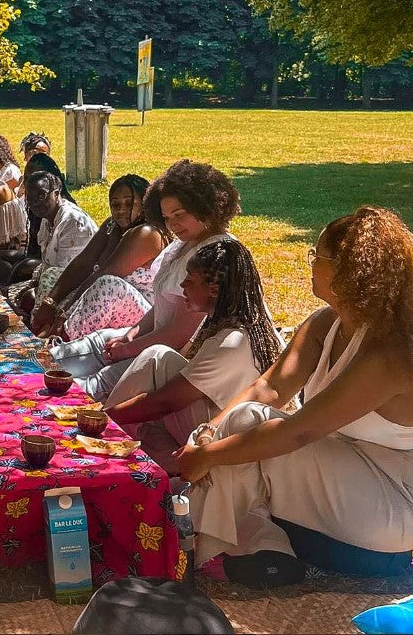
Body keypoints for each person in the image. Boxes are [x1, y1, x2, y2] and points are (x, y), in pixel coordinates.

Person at [175, 207, 413, 588]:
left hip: (388, 509)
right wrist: (206, 434)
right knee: (243, 420)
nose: (311, 264)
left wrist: (207, 456)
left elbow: (299, 432)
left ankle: (220, 544)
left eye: (316, 256)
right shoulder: (325, 324)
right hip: (332, 481)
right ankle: (258, 550)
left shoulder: (389, 355)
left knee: (248, 427)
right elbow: (267, 389)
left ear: (347, 272)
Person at [50, 160, 239, 400]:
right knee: (63, 357)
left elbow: (180, 335)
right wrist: (131, 334)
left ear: (206, 207)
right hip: (151, 342)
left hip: (171, 359)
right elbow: (160, 307)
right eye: (167, 217)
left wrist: (128, 348)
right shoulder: (182, 246)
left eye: (179, 215)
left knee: (85, 387)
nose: (172, 224)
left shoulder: (215, 255)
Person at [104, 239, 282, 474]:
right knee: (159, 362)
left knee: (155, 366)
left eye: (189, 280)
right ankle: (165, 471)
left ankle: (100, 438)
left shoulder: (231, 342)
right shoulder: (228, 322)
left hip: (223, 439)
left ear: (214, 289)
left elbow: (165, 401)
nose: (182, 285)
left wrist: (102, 418)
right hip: (212, 423)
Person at [32, 174, 163, 339]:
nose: (121, 210)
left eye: (129, 204)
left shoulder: (147, 233)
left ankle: (59, 337)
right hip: (100, 295)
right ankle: (40, 328)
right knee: (53, 275)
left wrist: (64, 314)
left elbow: (106, 273)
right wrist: (49, 303)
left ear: (144, 205)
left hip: (140, 313)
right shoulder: (112, 225)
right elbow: (82, 263)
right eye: (115, 204)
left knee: (107, 283)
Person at [7, 171, 97, 320]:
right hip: (54, 280)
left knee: (26, 299)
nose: (36, 202)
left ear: (56, 193)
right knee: (11, 294)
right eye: (30, 198)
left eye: (42, 195)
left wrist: (38, 296)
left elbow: (66, 274)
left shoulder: (72, 221)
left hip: (77, 288)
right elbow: (47, 263)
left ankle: (37, 328)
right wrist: (33, 284)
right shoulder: (47, 219)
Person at [0, 153, 76, 288]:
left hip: (59, 269)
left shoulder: (68, 217)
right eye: (27, 179)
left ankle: (7, 290)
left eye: (37, 177)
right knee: (3, 257)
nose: (32, 185)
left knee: (24, 266)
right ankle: (8, 289)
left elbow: (64, 265)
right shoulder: (40, 209)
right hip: (43, 258)